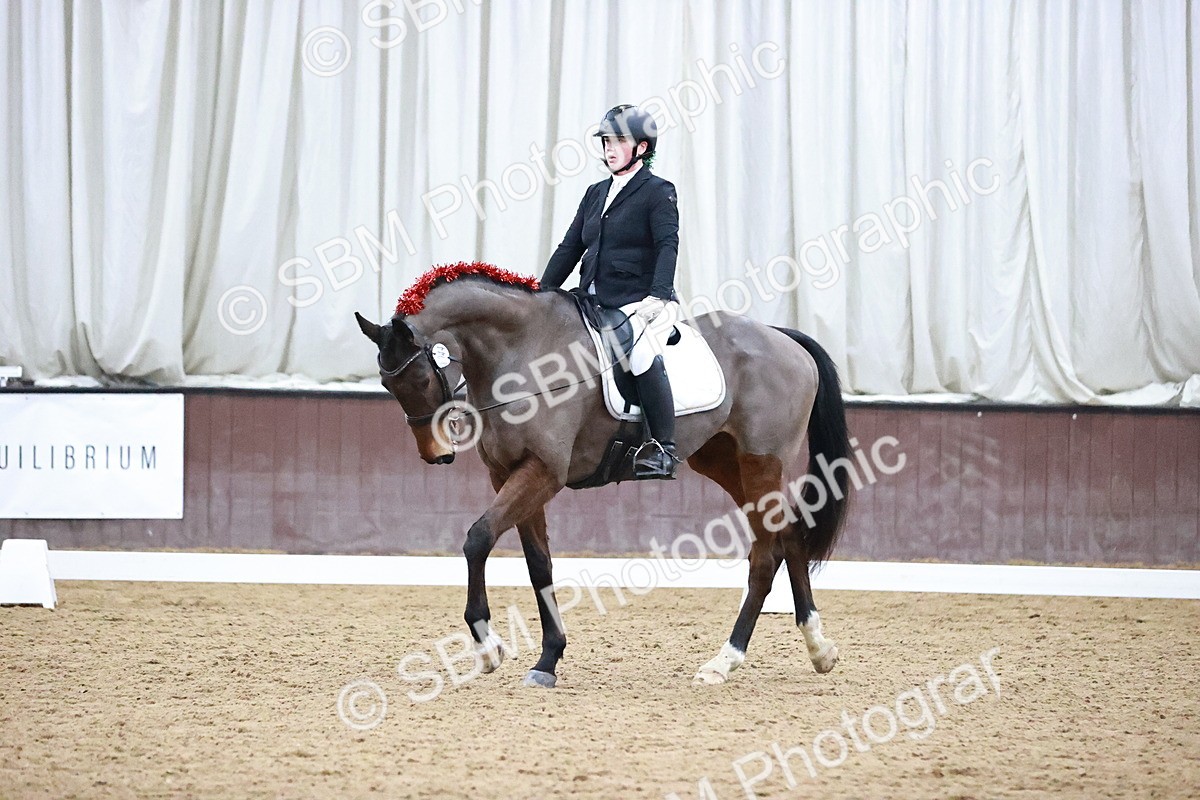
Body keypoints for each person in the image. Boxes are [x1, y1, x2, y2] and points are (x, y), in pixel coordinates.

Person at [541, 104, 682, 480]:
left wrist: (659, 296)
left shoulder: (658, 192)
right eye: (606, 141)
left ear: (641, 147)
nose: (609, 148)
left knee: (641, 353)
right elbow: (570, 248)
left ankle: (663, 448)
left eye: (619, 141)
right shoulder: (595, 193)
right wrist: (541, 293)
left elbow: (667, 245)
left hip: (643, 300)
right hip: (594, 301)